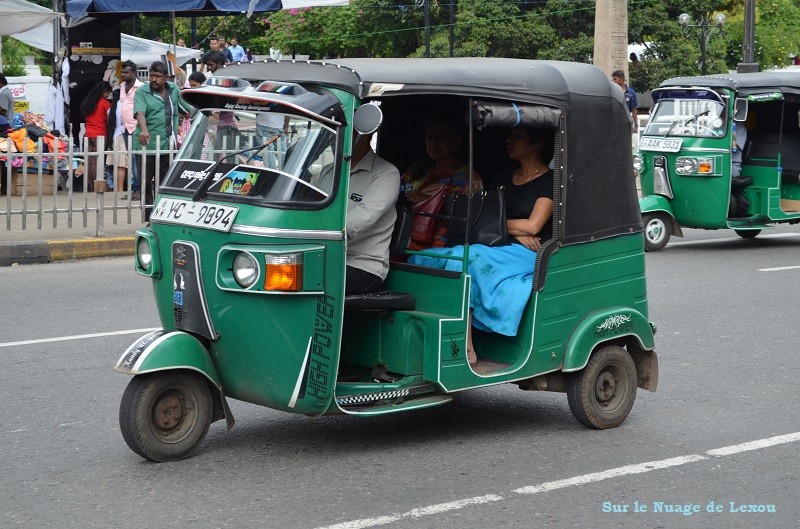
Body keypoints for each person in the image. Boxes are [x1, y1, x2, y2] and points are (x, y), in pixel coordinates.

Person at [408, 126, 555, 366]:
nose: (509, 141)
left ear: (537, 144)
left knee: (468, 257)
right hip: (500, 244)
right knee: (422, 257)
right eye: (510, 136)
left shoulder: (548, 181)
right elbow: (483, 218)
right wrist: (509, 230)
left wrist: (503, 227)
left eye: (518, 137)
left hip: (529, 252)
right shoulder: (504, 177)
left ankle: (465, 347)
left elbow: (533, 227)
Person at [316, 130, 400, 294]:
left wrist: (318, 234)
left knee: (304, 280)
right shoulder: (327, 171)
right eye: (332, 133)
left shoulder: (386, 173)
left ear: (366, 135)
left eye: (344, 133)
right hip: (322, 258)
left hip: (362, 266)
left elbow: (363, 217)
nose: (335, 139)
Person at [401, 118, 483, 249]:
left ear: (456, 141)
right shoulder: (417, 168)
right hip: (404, 235)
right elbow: (399, 189)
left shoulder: (468, 177)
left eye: (440, 138)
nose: (433, 143)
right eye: (429, 137)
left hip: (439, 244)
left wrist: (427, 201)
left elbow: (468, 217)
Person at [134, 61, 186, 221]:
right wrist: (144, 129)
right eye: (152, 76)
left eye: (158, 76)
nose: (154, 79)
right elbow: (139, 112)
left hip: (167, 145)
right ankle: (149, 217)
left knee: (165, 183)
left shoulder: (173, 89)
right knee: (145, 181)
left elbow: (187, 107)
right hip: (146, 145)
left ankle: (163, 216)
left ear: (166, 77)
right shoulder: (142, 91)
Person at [80, 81, 112, 192]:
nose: (108, 96)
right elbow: (109, 120)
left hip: (88, 134)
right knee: (96, 162)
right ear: (104, 91)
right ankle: (96, 186)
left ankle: (91, 186)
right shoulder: (105, 103)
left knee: (88, 161)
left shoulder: (88, 102)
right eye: (108, 93)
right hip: (100, 135)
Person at [119, 60, 143, 199]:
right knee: (130, 159)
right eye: (122, 72)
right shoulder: (122, 86)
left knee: (136, 160)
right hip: (125, 128)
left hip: (136, 127)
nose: (123, 75)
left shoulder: (141, 87)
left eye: (126, 72)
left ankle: (139, 189)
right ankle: (135, 188)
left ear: (133, 72)